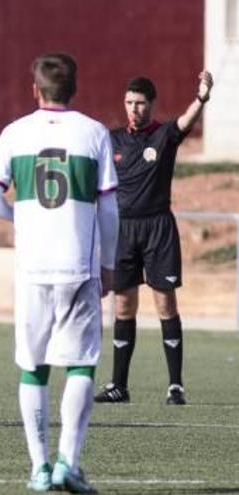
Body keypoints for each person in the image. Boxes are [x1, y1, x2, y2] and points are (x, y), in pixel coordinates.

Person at [0, 53, 118, 493]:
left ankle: (39, 468)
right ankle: (68, 464)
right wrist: (109, 264)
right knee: (80, 364)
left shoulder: (15, 133)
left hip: (33, 268)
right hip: (79, 265)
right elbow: (110, 207)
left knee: (33, 367)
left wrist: (20, 216)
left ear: (35, 89)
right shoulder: (94, 132)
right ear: (74, 88)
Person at [94, 72, 213, 406]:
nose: (135, 109)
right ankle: (119, 385)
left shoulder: (163, 135)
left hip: (158, 228)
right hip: (123, 231)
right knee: (123, 306)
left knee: (165, 304)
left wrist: (202, 98)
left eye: (141, 103)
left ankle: (175, 386)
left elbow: (186, 121)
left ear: (151, 104)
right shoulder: (112, 140)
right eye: (130, 103)